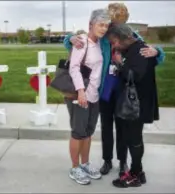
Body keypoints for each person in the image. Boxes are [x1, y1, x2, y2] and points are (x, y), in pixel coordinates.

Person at [63, 2, 165, 177]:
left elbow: (148, 53)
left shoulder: (131, 35)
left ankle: (123, 161)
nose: (114, 28)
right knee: (106, 127)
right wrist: (70, 38)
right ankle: (107, 160)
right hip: (103, 89)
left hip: (121, 89)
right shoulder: (102, 35)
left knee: (123, 127)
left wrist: (157, 51)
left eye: (119, 23)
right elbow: (76, 43)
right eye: (112, 23)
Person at [106, 23, 159, 188]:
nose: (114, 46)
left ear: (125, 38)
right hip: (135, 103)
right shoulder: (132, 49)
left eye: (115, 42)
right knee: (132, 137)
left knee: (134, 139)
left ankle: (135, 175)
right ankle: (139, 172)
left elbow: (133, 76)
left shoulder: (140, 51)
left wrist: (119, 64)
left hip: (138, 104)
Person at [66, 8, 111, 185]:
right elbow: (74, 67)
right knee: (78, 132)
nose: (104, 28)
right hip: (80, 95)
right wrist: (81, 90)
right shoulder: (81, 42)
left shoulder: (102, 43)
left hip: (95, 95)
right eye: (101, 25)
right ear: (91, 24)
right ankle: (75, 167)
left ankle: (85, 164)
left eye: (106, 25)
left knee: (88, 132)